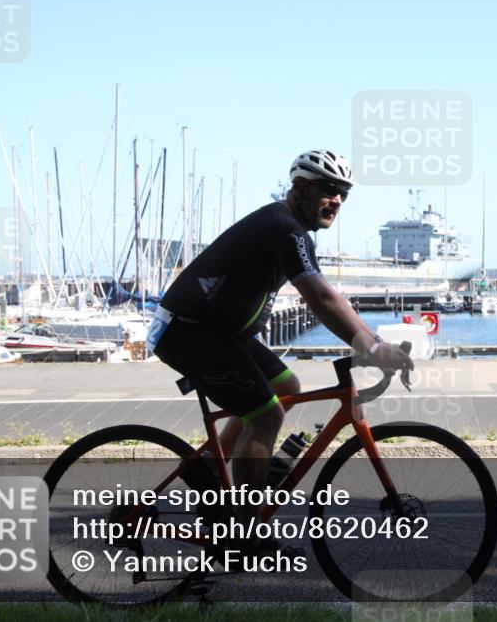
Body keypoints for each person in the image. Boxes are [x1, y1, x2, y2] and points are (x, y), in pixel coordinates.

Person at [149, 149, 414, 554]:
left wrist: (373, 343)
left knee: (286, 385)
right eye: (329, 189)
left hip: (219, 333)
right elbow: (321, 298)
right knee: (266, 413)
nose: (337, 200)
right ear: (300, 188)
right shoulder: (282, 226)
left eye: (344, 193)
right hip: (191, 332)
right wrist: (373, 347)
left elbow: (330, 297)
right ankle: (243, 532)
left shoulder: (291, 230)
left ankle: (211, 475)